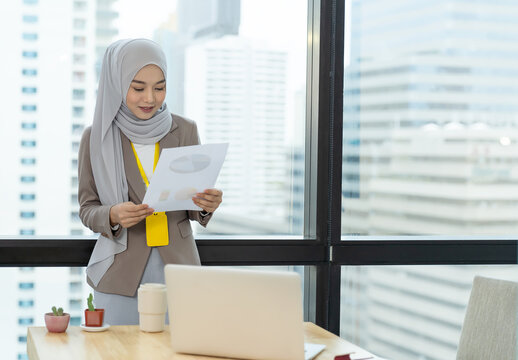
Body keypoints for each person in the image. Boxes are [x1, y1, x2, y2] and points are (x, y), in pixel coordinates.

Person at [78, 38, 223, 325]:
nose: (150, 98)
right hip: (121, 270)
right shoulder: (96, 137)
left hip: (178, 267)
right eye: (138, 88)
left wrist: (207, 205)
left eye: (159, 87)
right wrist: (113, 214)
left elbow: (193, 206)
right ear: (118, 84)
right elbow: (87, 209)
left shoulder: (185, 130)